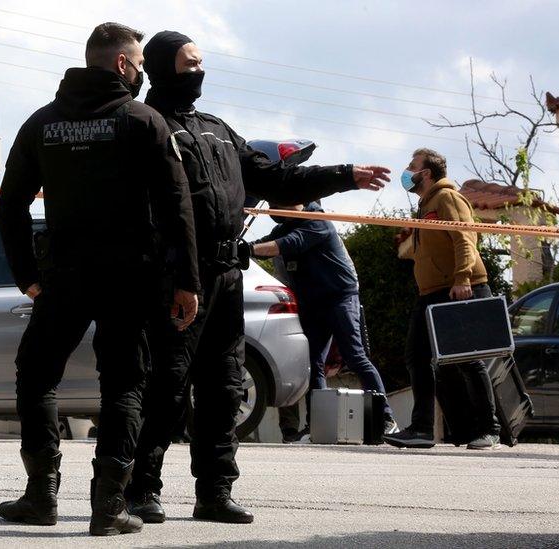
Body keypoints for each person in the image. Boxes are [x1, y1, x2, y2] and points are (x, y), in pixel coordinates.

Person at [126, 30, 390, 525]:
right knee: (167, 385)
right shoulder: (146, 125)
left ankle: (215, 492)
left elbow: (278, 181)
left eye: (203, 63)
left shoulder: (219, 130)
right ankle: (142, 489)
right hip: (172, 276)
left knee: (225, 386)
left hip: (227, 276)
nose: (199, 72)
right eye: (190, 64)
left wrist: (345, 175)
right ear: (162, 67)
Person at [0, 22, 201, 537]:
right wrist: (187, 282)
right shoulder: (143, 120)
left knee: (37, 374)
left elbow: (10, 204)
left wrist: (27, 275)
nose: (143, 72)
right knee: (124, 383)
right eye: (140, 64)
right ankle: (108, 507)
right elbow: (178, 209)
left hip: (64, 275)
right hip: (132, 277)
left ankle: (41, 496)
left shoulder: (42, 123)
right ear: (122, 65)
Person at [383, 148, 501, 450]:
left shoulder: (448, 197)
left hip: (458, 288)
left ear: (427, 173)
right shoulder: (426, 205)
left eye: (412, 166)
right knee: (418, 357)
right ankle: (422, 430)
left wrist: (462, 278)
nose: (407, 171)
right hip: (431, 293)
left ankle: (490, 430)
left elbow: (465, 237)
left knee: (468, 358)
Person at [251, 202, 398, 439]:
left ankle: (386, 417)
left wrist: (248, 250)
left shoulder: (317, 221)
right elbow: (269, 241)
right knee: (312, 364)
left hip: (339, 297)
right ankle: (318, 424)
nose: (272, 208)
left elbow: (287, 244)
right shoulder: (285, 227)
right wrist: (242, 246)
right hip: (312, 303)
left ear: (293, 200)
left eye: (276, 203)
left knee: (355, 356)